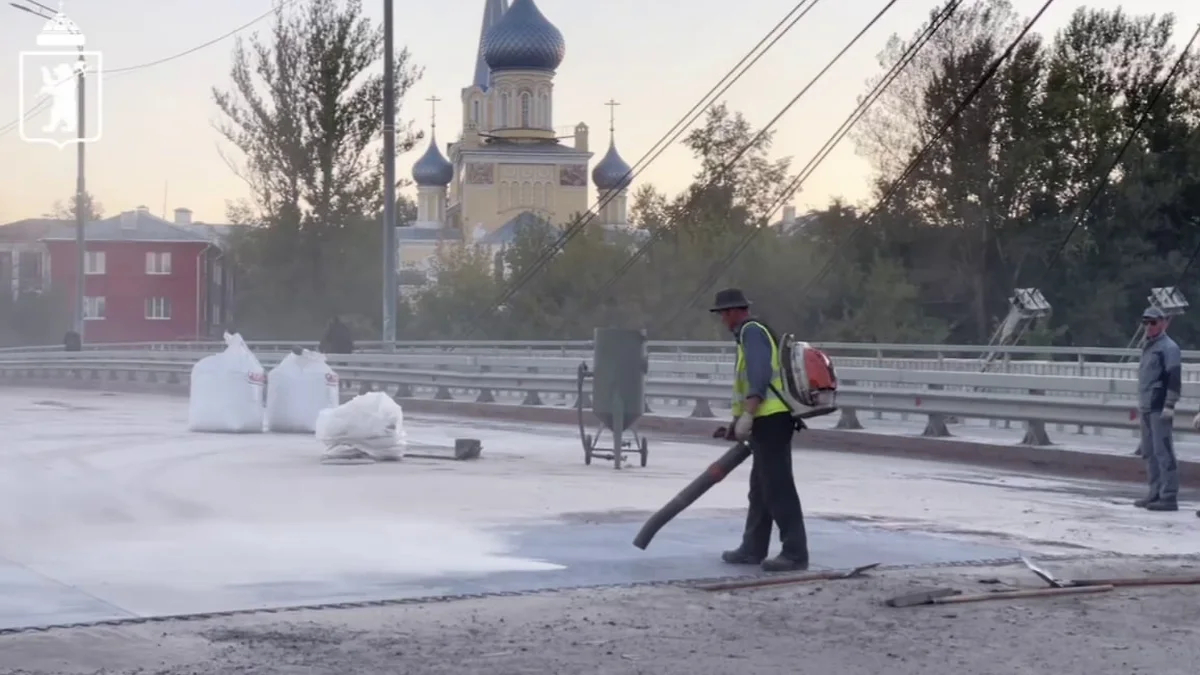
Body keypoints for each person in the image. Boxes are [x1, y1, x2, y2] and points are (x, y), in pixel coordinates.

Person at [709, 288, 809, 572]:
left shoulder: (752, 331)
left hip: (772, 419)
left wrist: (749, 415)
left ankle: (795, 553)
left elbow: (760, 374)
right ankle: (753, 548)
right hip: (765, 420)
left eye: (722, 314)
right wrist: (736, 422)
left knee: (778, 488)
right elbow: (747, 381)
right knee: (761, 489)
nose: (722, 320)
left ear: (731, 312)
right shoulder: (747, 335)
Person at [1135, 307, 1181, 511]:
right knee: (1149, 452)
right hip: (1146, 406)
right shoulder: (1147, 346)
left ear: (1162, 323)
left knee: (1163, 452)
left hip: (1159, 406)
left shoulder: (1169, 348)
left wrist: (1170, 404)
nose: (1149, 326)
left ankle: (1169, 495)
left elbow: (1174, 378)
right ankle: (1154, 493)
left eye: (1153, 322)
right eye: (1146, 322)